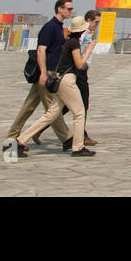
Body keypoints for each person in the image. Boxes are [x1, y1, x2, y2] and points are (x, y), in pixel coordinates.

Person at [12, 15, 95, 158]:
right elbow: (79, 64)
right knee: (79, 112)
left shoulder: (68, 41)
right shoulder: (74, 43)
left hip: (60, 80)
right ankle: (78, 147)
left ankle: (19, 141)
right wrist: (88, 50)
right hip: (68, 82)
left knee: (50, 115)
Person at [4, 0, 73, 149]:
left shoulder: (59, 27)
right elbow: (41, 49)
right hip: (46, 72)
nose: (71, 11)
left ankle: (11, 138)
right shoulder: (50, 27)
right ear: (59, 9)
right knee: (53, 108)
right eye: (68, 9)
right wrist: (43, 73)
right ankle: (67, 139)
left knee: (28, 107)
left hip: (50, 71)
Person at [76, 9, 101, 146]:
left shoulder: (89, 33)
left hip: (82, 70)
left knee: (67, 106)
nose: (97, 25)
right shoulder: (84, 34)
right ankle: (82, 136)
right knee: (83, 104)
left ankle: (42, 127)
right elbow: (82, 51)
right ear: (88, 21)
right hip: (80, 71)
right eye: (96, 22)